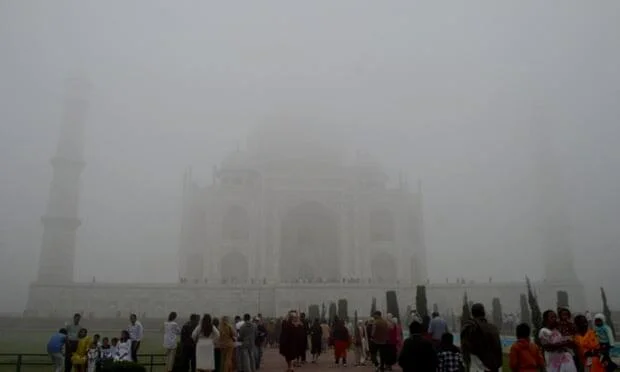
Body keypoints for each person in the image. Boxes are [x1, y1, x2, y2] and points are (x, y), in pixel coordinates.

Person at [460, 303, 503, 372]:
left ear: (472, 314)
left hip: (478, 366)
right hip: (496, 366)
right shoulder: (493, 328)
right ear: (484, 313)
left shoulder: (470, 326)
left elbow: (465, 348)